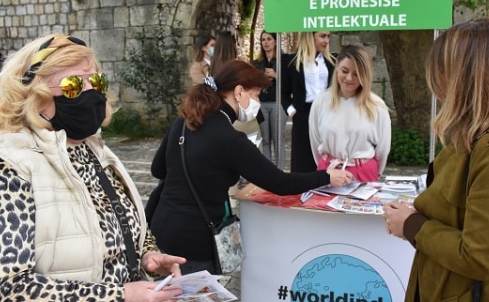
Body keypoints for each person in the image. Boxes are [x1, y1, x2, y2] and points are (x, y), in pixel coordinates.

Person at [0, 34, 186, 301]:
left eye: (96, 81)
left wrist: (146, 255)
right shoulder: (10, 166)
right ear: (35, 96)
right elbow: (5, 288)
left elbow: (121, 227)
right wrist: (118, 296)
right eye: (72, 85)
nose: (90, 93)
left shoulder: (95, 150)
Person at [383, 18, 489, 301]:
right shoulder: (482, 140)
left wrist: (411, 224)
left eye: (441, 72)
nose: (435, 82)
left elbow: (481, 257)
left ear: (464, 78)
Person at [149, 59, 353, 275]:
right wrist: (326, 176)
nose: (256, 101)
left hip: (162, 230)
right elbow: (280, 183)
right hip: (196, 243)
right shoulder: (230, 139)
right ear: (238, 92)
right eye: (255, 94)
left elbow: (157, 169)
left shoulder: (182, 122)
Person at [309, 44, 391, 182]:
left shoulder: (376, 106)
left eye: (356, 74)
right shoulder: (321, 102)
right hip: (329, 172)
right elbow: (315, 143)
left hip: (363, 174)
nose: (349, 78)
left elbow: (382, 150)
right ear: (337, 66)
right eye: (345, 71)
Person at [281, 31, 335, 172]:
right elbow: (283, 93)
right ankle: (301, 191)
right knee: (302, 157)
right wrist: (293, 112)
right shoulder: (292, 62)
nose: (326, 40)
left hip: (326, 113)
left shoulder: (331, 62)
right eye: (322, 36)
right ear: (310, 36)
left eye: (328, 36)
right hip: (303, 112)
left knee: (326, 156)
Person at [252, 30, 288, 169]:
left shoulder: (283, 60)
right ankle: (267, 173)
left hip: (278, 103)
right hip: (261, 104)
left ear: (275, 41)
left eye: (268, 39)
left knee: (278, 140)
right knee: (265, 140)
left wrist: (276, 75)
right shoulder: (257, 63)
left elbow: (290, 84)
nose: (265, 42)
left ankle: (280, 173)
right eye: (263, 40)